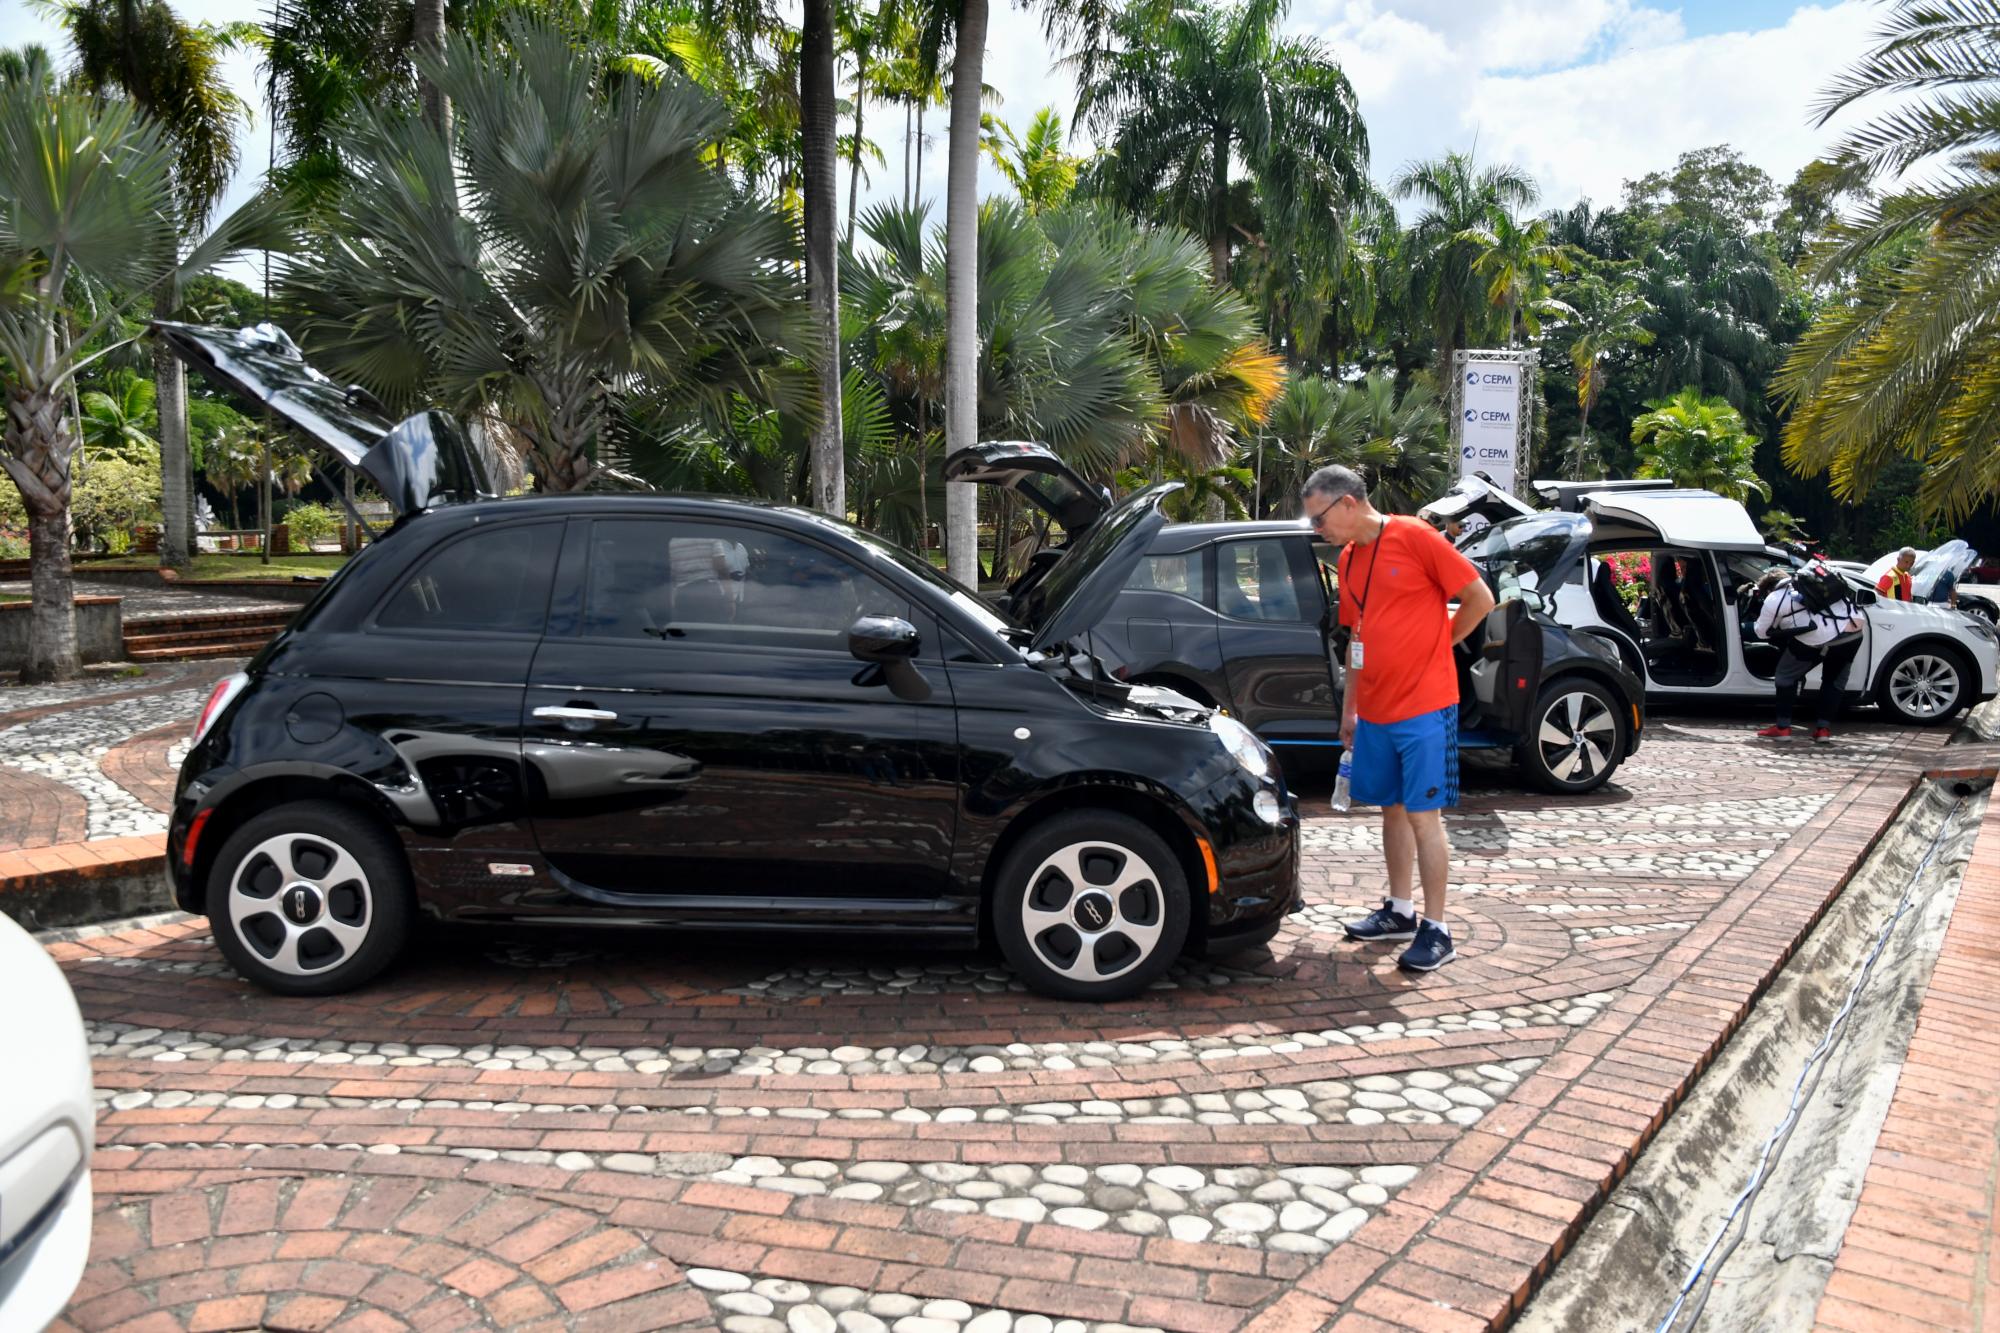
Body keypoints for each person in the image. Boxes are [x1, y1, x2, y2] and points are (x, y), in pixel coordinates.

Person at [1307, 464, 1496, 972]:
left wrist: (1442, 642)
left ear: (1347, 503)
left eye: (1319, 520)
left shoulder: (1414, 534)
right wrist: (1351, 707)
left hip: (1425, 705)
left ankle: (1439, 929)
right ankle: (1401, 910)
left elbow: (1480, 598)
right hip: (1376, 711)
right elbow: (1358, 638)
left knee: (1422, 815)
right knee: (1390, 809)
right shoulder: (1348, 559)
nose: (1317, 531)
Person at [1754, 565, 1865, 743]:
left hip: (1814, 638)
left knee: (1785, 677)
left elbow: (1761, 632)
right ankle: (1823, 731)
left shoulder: (1774, 598)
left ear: (1768, 587)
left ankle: (1783, 728)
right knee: (1834, 681)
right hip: (1852, 633)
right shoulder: (1821, 584)